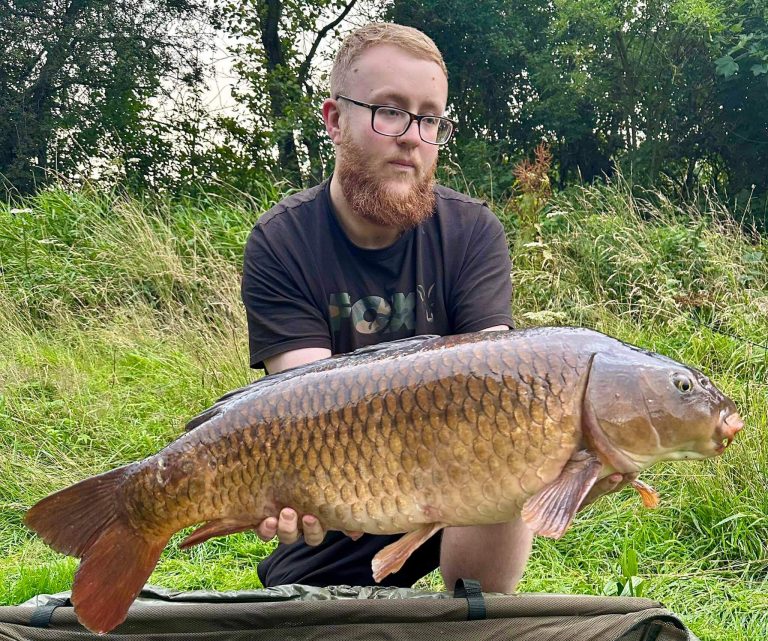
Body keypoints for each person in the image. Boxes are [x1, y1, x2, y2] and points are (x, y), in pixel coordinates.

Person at [241, 22, 631, 592]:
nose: (412, 136)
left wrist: (568, 460)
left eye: (429, 119)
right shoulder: (282, 241)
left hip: (458, 484)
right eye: (390, 111)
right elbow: (304, 413)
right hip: (340, 495)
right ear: (334, 120)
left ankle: (467, 611)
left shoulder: (472, 231)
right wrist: (289, 486)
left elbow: (504, 386)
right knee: (310, 606)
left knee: (510, 454)